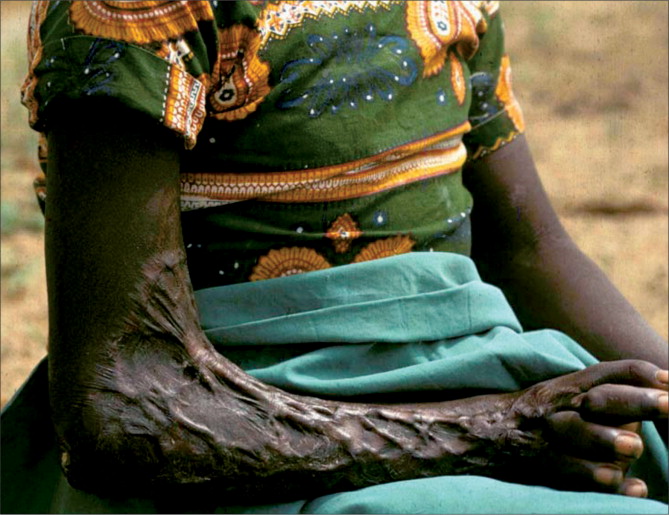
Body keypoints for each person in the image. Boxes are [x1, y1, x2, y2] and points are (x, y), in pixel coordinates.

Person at [2, 1, 667, 513]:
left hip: (486, 388)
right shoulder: (132, 12)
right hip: (253, 441)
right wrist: (491, 432)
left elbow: (528, 249)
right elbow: (126, 399)